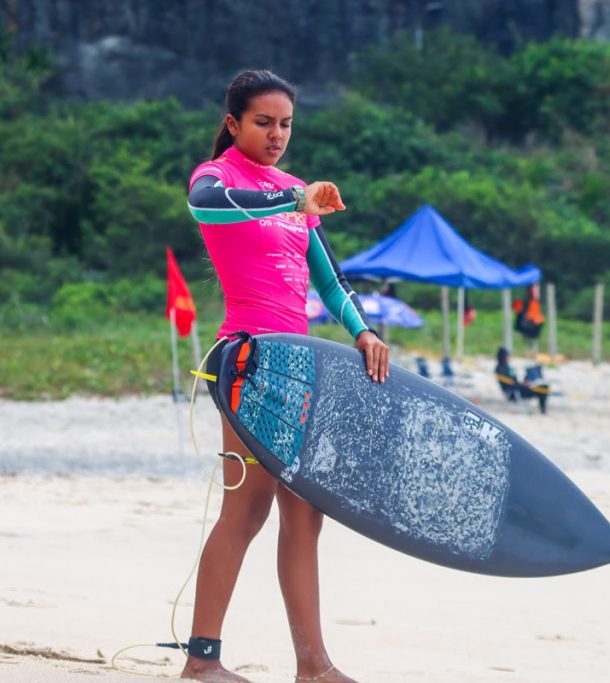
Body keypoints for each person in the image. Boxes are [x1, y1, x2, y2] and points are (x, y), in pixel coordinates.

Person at [183, 69, 389, 683]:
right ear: (233, 124)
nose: (277, 136)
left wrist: (363, 331)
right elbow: (211, 208)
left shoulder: (296, 190)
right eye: (263, 123)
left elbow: (329, 278)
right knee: (245, 512)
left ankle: (313, 665)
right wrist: (293, 200)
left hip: (299, 364)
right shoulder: (215, 179)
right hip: (247, 359)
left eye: (286, 125)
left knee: (307, 513)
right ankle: (201, 662)